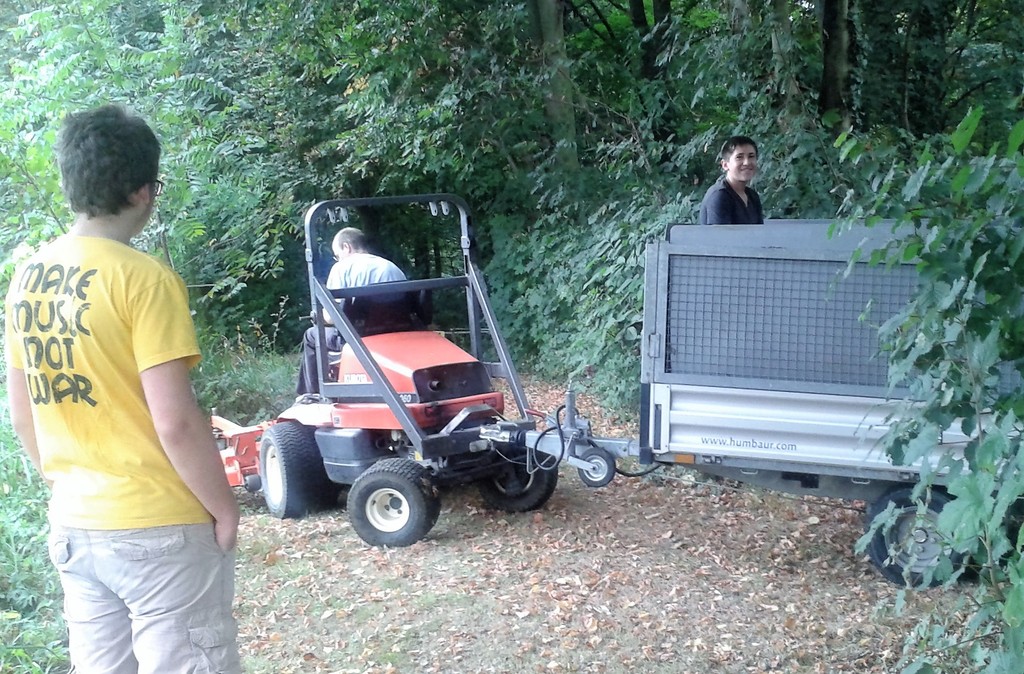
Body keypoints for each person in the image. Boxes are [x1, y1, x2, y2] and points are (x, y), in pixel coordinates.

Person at [3, 104, 242, 674]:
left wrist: (69, 485)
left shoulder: (27, 278)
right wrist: (224, 507)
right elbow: (174, 422)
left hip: (75, 523)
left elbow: (22, 412)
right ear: (142, 192)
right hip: (158, 525)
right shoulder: (144, 279)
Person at [295, 226, 406, 397]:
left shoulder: (342, 268)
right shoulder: (391, 267)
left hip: (358, 337)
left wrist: (319, 316)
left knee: (311, 335)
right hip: (395, 332)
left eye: (337, 255)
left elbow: (332, 317)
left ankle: (312, 395)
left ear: (346, 247)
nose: (337, 259)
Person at [698, 135, 764, 225]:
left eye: (751, 156)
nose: (747, 162)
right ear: (725, 165)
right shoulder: (720, 196)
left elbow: (759, 232)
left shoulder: (753, 196)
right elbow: (720, 234)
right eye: (739, 157)